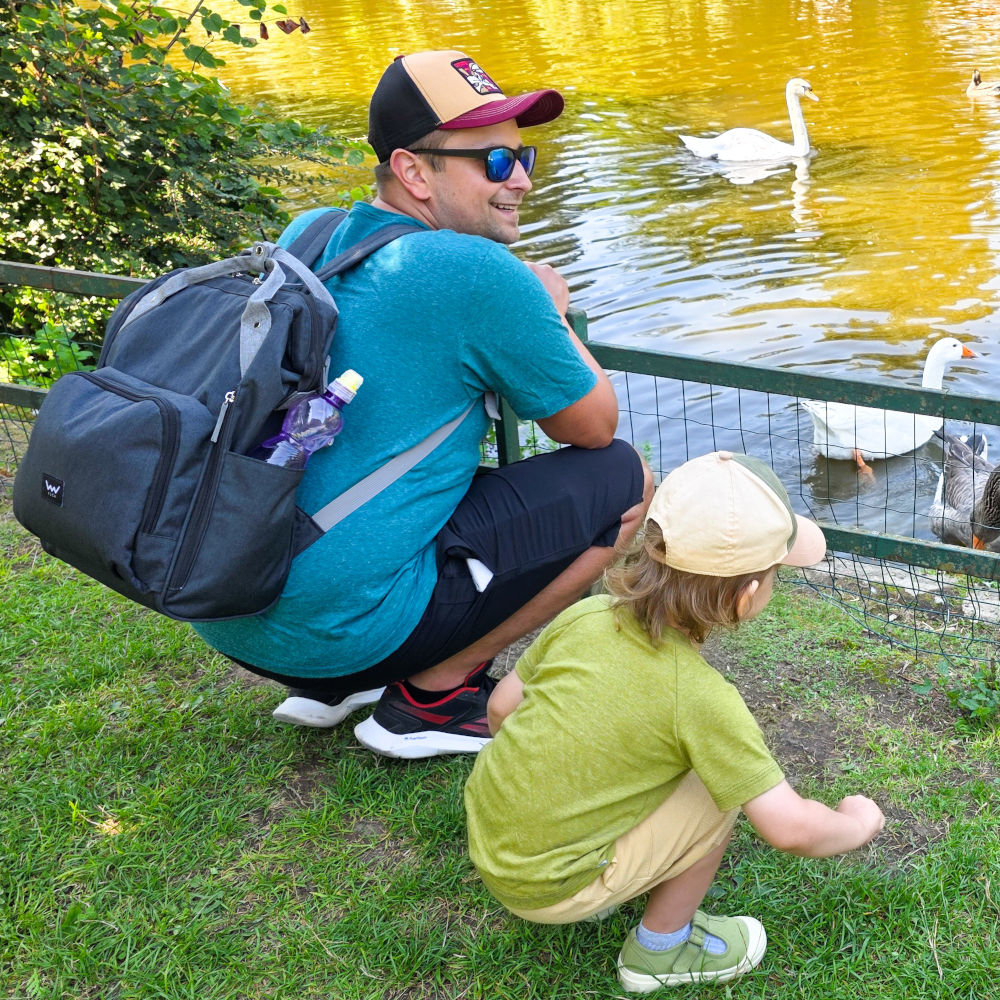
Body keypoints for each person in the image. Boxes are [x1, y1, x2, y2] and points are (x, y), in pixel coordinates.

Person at [192, 49, 652, 758]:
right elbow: (593, 426)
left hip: (232, 610)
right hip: (340, 628)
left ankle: (337, 687)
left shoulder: (310, 232)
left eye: (523, 155)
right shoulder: (473, 269)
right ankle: (434, 694)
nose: (522, 180)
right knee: (625, 480)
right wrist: (550, 310)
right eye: (495, 163)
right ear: (413, 171)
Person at [463, 451, 885, 993]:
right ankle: (659, 953)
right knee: (718, 793)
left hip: (490, 835)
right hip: (546, 886)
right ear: (747, 593)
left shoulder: (586, 616)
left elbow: (501, 710)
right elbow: (791, 828)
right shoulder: (703, 698)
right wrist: (857, 822)